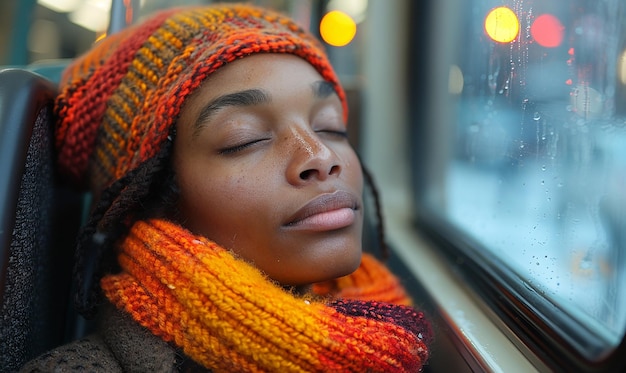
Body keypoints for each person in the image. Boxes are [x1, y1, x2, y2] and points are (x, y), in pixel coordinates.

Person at [21, 3, 432, 372]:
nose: (322, 156)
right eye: (245, 138)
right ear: (152, 198)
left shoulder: (392, 329)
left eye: (330, 127)